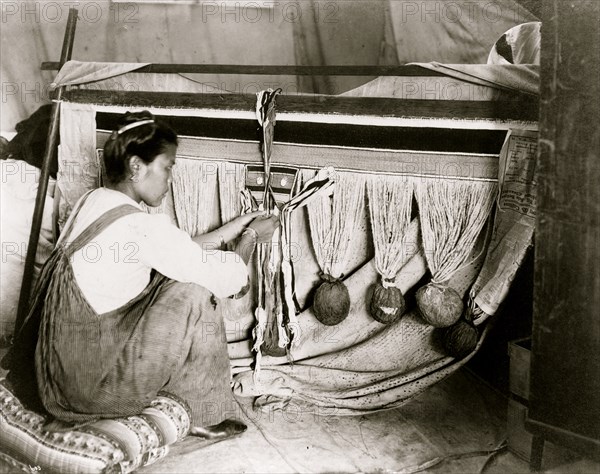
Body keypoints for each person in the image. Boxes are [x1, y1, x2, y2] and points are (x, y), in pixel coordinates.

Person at [3, 110, 279, 439]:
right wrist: (250, 239)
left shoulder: (94, 202)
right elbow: (230, 281)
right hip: (90, 392)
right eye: (167, 167)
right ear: (136, 167)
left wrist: (232, 229)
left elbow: (176, 252)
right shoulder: (142, 226)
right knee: (194, 292)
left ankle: (194, 407)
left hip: (52, 376)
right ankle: (204, 412)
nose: (169, 179)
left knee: (177, 277)